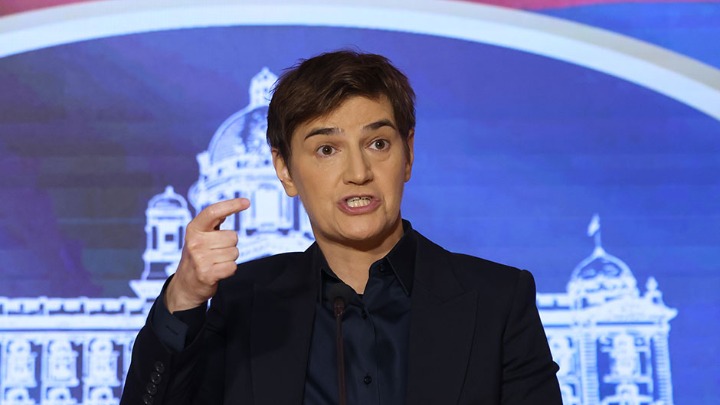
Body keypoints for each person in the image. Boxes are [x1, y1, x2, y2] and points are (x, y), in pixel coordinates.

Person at [120, 50, 561, 405]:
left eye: (378, 143)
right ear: (285, 170)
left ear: (408, 154)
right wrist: (184, 297)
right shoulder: (242, 302)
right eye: (327, 149)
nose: (358, 172)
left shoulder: (497, 301)